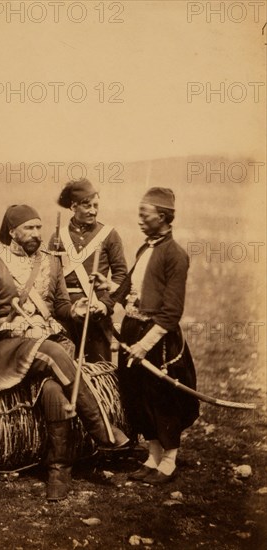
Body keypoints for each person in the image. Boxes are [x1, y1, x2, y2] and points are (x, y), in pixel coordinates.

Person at [0, 204, 129, 501]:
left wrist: (75, 308)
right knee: (52, 352)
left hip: (48, 344)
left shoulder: (52, 262)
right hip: (8, 348)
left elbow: (59, 306)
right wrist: (9, 326)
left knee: (54, 390)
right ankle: (103, 431)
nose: (35, 233)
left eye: (38, 227)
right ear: (12, 232)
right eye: (28, 228)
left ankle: (59, 470)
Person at [97, 187, 199, 484]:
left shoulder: (175, 255)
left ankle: (168, 461)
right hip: (133, 331)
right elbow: (130, 288)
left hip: (158, 340)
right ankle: (152, 456)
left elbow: (171, 313)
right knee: (137, 394)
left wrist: (144, 345)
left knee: (161, 398)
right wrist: (107, 287)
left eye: (146, 215)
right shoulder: (144, 248)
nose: (140, 220)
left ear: (163, 217)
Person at [49, 178, 127, 362]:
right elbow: (50, 276)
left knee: (100, 369)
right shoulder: (58, 237)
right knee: (64, 368)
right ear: (73, 206)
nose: (93, 211)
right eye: (87, 206)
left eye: (96, 205)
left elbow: (121, 275)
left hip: (96, 312)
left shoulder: (109, 234)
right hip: (66, 313)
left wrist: (105, 305)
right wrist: (65, 309)